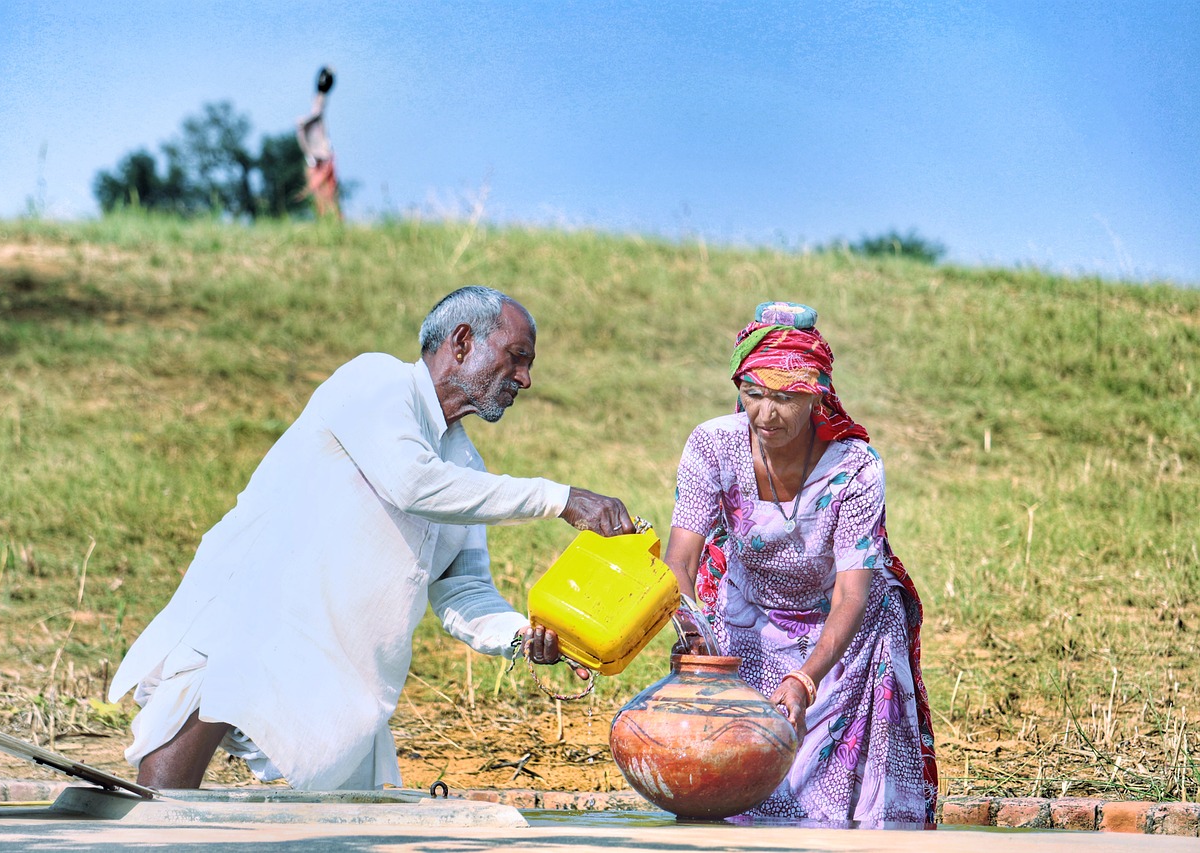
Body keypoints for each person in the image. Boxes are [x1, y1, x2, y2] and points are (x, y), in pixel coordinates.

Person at [108, 286, 634, 791]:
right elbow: (411, 482)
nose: (525, 378)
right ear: (463, 342)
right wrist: (559, 498)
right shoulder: (376, 382)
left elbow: (462, 591)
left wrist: (524, 637)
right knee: (168, 801)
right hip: (254, 620)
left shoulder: (465, 466)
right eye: (517, 357)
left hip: (343, 676)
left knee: (358, 821)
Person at [663, 300, 937, 825]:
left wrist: (805, 679)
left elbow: (852, 595)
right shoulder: (712, 446)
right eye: (753, 394)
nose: (766, 415)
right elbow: (679, 563)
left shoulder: (855, 467)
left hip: (849, 637)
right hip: (746, 617)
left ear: (818, 394)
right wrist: (693, 637)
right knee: (737, 782)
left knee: (835, 806)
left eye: (787, 398)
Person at [296, 66, 342, 219]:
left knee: (327, 191)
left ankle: (332, 219)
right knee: (320, 192)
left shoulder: (320, 99)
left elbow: (317, 114)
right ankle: (326, 219)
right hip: (316, 154)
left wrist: (303, 121)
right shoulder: (318, 98)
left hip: (322, 153)